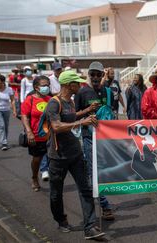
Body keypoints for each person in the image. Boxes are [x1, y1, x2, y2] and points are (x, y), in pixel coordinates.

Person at [46, 70, 105, 239]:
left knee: (85, 189)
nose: (80, 85)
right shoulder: (54, 103)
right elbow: (56, 126)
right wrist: (82, 121)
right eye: (76, 83)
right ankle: (61, 219)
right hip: (58, 156)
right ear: (67, 85)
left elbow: (71, 117)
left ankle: (90, 227)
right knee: (56, 193)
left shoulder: (70, 102)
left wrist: (87, 110)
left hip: (75, 153)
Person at [75, 61, 115, 221]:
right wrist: (87, 111)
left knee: (105, 170)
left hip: (105, 138)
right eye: (93, 74)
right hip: (89, 138)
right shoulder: (81, 92)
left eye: (99, 74)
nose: (96, 77)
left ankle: (99, 201)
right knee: (94, 172)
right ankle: (104, 206)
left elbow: (111, 113)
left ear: (102, 75)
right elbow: (75, 115)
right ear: (89, 75)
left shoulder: (108, 92)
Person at [21, 76, 51, 191]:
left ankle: (54, 181)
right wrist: (29, 132)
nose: (46, 87)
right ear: (36, 87)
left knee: (53, 160)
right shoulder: (30, 100)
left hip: (49, 136)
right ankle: (34, 177)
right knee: (37, 159)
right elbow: (24, 116)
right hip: (35, 136)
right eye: (44, 85)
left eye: (48, 85)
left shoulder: (50, 99)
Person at [0, 75, 16, 150]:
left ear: (2, 82)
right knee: (1, 126)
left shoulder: (9, 89)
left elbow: (13, 100)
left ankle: (5, 141)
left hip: (6, 110)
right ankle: (4, 143)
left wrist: (14, 110)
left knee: (5, 126)